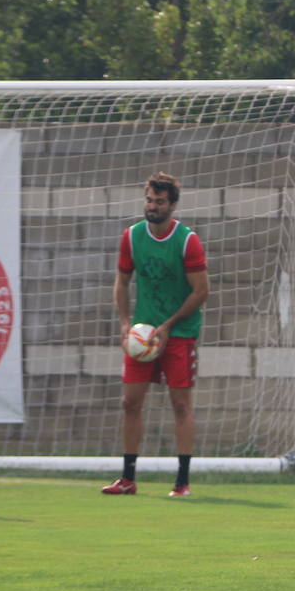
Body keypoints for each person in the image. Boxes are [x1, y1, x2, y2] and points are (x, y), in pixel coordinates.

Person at [102, 172, 210, 497]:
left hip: (179, 333)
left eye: (159, 202)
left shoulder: (187, 241)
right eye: (149, 200)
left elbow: (201, 291)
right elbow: (121, 281)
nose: (152, 206)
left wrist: (168, 325)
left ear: (172, 205)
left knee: (180, 404)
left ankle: (182, 481)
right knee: (129, 402)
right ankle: (128, 478)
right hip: (143, 335)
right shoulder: (132, 237)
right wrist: (125, 324)